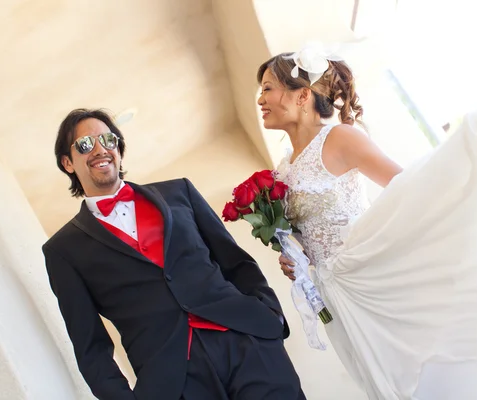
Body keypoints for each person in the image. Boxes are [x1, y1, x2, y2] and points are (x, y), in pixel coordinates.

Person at [257, 44, 477, 399]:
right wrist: (298, 258)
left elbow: (406, 186)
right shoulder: (283, 170)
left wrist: (464, 170)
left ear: (302, 95)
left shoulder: (339, 137)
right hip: (336, 293)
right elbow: (312, 232)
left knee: (434, 359)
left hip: (372, 272)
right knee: (389, 380)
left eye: (267, 87)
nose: (260, 98)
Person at [42, 108, 305, 400]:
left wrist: (271, 316)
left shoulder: (179, 192)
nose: (100, 149)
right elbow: (89, 345)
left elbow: (236, 262)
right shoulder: (63, 250)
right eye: (85, 145)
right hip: (171, 382)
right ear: (67, 162)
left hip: (247, 342)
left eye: (108, 139)